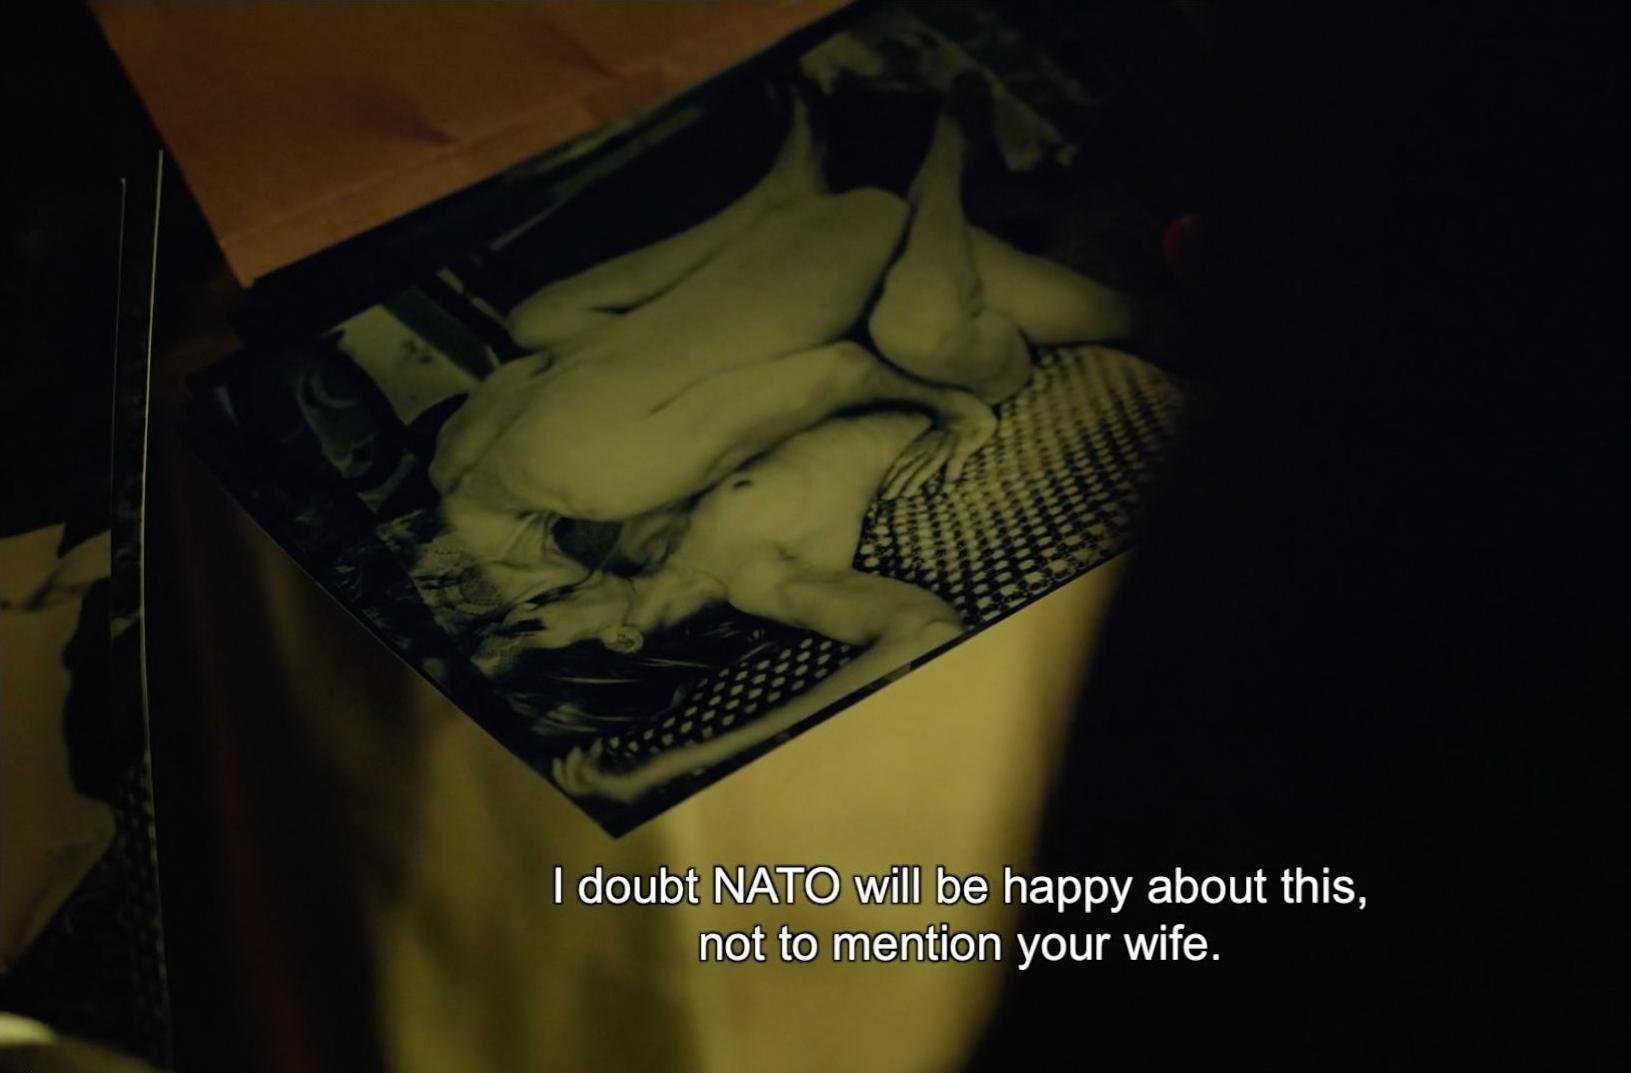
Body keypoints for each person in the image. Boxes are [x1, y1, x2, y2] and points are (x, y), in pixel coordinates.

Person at [427, 88, 1137, 801]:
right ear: (618, 642)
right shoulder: (758, 582)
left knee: (545, 320)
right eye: (536, 622)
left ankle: (884, 188)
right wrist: (677, 764)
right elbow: (925, 631)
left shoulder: (644, 541)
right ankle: (947, 167)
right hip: (948, 364)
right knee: (1104, 317)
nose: (536, 597)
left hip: (874, 324)